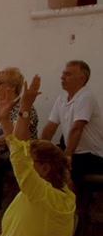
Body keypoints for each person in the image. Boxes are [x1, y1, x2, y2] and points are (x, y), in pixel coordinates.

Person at [0, 74, 75, 236]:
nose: (26, 162)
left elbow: (19, 157)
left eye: (32, 161)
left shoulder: (38, 192)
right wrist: (6, 120)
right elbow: (20, 149)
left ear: (44, 169)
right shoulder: (66, 197)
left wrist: (25, 107)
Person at [40, 59, 102, 224]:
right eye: (63, 74)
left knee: (66, 172)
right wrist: (36, 149)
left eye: (68, 74)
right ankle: (50, 213)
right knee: (42, 167)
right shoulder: (62, 99)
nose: (62, 77)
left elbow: (77, 129)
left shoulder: (86, 97)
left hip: (92, 155)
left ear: (82, 78)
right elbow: (50, 127)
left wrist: (67, 156)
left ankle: (72, 218)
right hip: (74, 152)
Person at [0, 66, 40, 229]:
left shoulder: (24, 107)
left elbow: (15, 136)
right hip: (3, 153)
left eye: (0, 83)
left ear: (11, 87)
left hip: (22, 153)